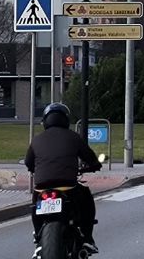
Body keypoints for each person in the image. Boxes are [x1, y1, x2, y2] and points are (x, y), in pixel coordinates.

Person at [25, 103, 100, 255]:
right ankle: (87, 237)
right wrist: (94, 165)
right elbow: (89, 157)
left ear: (45, 120)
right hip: (68, 185)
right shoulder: (73, 137)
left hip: (42, 187)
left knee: (35, 201)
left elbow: (28, 162)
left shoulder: (36, 140)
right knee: (86, 199)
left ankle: (37, 234)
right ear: (65, 119)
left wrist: (36, 169)